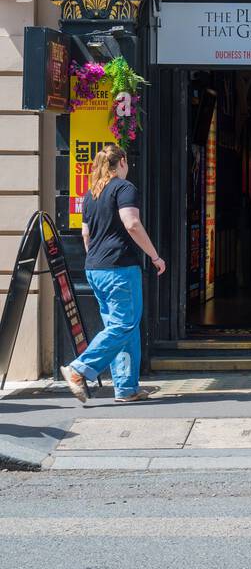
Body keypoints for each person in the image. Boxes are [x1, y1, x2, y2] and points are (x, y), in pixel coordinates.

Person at [59, 144, 165, 404]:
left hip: (96, 268)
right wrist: (154, 256)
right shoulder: (124, 188)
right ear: (123, 162)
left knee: (121, 329)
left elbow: (86, 235)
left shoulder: (91, 194)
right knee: (123, 325)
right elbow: (132, 224)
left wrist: (97, 258)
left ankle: (127, 388)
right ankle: (78, 369)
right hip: (120, 269)